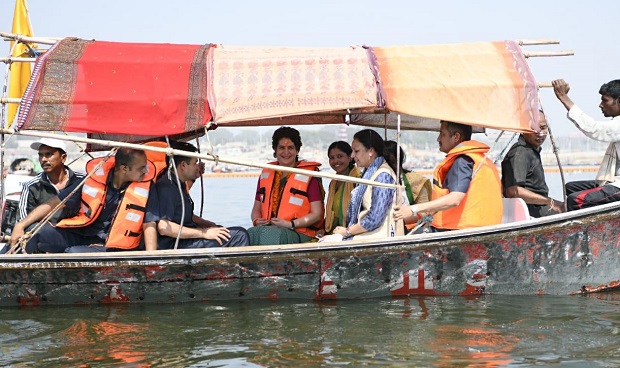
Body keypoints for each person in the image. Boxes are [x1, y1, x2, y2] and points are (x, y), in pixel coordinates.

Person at [10, 147, 156, 253]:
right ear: (124, 169)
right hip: (81, 234)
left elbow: (149, 223)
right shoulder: (93, 179)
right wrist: (21, 225)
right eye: (141, 168)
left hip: (111, 245)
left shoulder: (147, 188)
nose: (145, 171)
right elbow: (57, 201)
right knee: (32, 233)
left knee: (73, 254)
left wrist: (150, 261)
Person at [393, 121, 502, 232]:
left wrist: (413, 208)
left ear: (456, 137)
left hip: (461, 231)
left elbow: (454, 199)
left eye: (442, 134)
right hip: (486, 229)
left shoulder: (463, 161)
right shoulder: (481, 159)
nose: (438, 139)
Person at [143, 141, 249, 250]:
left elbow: (185, 215)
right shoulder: (167, 188)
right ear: (183, 165)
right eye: (195, 163)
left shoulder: (177, 183)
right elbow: (164, 227)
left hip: (183, 240)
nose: (197, 167)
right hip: (175, 245)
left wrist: (210, 225)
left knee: (225, 231)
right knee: (239, 236)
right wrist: (204, 233)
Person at [248, 127, 325, 245]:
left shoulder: (309, 175)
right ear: (275, 149)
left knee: (271, 235)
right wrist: (257, 220)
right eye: (282, 148)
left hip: (300, 231)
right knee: (249, 233)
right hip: (271, 229)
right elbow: (256, 208)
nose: (286, 152)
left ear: (297, 150)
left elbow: (317, 214)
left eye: (290, 148)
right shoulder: (266, 174)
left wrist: (290, 224)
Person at [552, 79, 620, 211]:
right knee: (569, 188)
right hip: (615, 181)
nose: (600, 105)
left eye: (605, 100)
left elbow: (594, 128)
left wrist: (564, 98)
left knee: (575, 199)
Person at [332, 129, 403, 239]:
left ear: (370, 151)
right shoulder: (368, 173)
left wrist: (347, 232)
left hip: (379, 239)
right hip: (367, 236)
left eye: (356, 151)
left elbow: (375, 218)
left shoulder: (383, 175)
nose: (352, 156)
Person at [501, 111, 565, 217]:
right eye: (534, 128)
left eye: (543, 127)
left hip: (538, 207)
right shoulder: (520, 153)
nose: (539, 133)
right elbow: (513, 191)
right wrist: (550, 202)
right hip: (528, 213)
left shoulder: (531, 150)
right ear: (523, 130)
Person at [18, 138, 85, 223]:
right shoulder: (31, 186)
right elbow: (23, 222)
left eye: (49, 154)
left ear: (63, 158)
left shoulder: (82, 181)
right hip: (45, 234)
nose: (43, 159)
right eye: (40, 155)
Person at [384, 140, 431, 231]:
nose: (388, 168)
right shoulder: (374, 180)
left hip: (410, 231)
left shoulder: (416, 181)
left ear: (399, 160)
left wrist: (401, 219)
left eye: (391, 163)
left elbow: (424, 211)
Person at [324, 141, 361, 234]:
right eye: (332, 158)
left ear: (350, 157)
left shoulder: (358, 179)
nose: (336, 161)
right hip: (335, 231)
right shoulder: (333, 182)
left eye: (340, 156)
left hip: (352, 231)